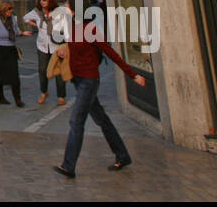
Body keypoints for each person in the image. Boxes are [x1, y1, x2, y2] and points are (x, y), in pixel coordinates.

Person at [52, 20, 147, 178]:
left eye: (68, 6)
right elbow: (75, 53)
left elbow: (110, 53)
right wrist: (64, 53)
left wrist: (133, 74)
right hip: (80, 81)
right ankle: (122, 155)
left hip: (89, 82)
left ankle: (68, 166)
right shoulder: (73, 29)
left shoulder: (91, 29)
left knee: (76, 121)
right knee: (102, 120)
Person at [23, 0, 69, 105]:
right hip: (42, 46)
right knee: (42, 70)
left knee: (59, 71)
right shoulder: (37, 12)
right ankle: (44, 92)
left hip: (57, 45)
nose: (42, 2)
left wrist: (67, 45)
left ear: (50, 0)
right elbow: (25, 18)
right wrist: (37, 25)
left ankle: (61, 96)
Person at [0, 0, 30, 106]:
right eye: (9, 9)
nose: (11, 11)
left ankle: (18, 99)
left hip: (10, 49)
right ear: (3, 9)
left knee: (14, 75)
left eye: (12, 9)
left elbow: (16, 31)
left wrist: (23, 33)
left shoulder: (12, 19)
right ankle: (0, 97)